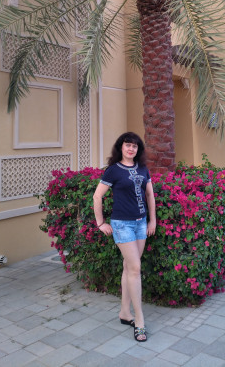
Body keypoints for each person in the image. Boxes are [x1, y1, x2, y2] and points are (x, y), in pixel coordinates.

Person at [93, 132, 156, 342]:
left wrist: (152, 221)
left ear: (138, 149)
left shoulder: (143, 169)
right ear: (121, 147)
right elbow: (97, 196)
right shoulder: (113, 170)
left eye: (134, 146)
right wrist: (100, 223)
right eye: (128, 145)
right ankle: (139, 320)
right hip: (122, 225)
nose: (131, 149)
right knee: (135, 268)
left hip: (141, 224)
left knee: (129, 268)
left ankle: (124, 313)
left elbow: (149, 195)